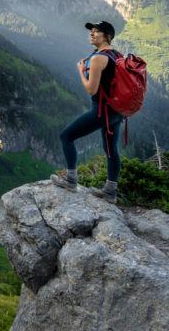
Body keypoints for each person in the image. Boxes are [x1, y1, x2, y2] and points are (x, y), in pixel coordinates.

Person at [51, 20, 124, 203]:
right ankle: (110, 192)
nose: (92, 34)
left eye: (97, 31)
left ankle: (70, 180)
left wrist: (81, 70)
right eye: (91, 31)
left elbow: (91, 89)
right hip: (116, 111)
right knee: (110, 149)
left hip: (101, 111)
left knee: (66, 136)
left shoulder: (99, 58)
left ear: (107, 36)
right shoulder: (116, 55)